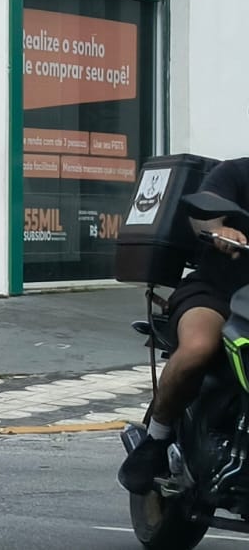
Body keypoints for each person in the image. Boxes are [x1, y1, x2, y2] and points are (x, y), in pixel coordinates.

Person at [120, 156, 249, 493]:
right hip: (218, 292)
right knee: (197, 348)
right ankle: (156, 440)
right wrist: (217, 228)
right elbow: (202, 213)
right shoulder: (236, 172)